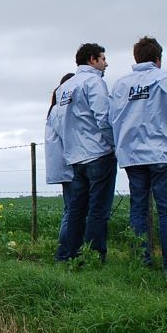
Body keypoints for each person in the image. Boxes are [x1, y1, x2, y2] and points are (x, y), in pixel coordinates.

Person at [110, 36, 167, 272]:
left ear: (136, 58)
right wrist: (161, 117)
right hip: (161, 152)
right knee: (166, 211)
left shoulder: (121, 84)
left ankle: (140, 261)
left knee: (138, 209)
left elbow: (111, 118)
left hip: (132, 154)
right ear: (158, 58)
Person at [55, 43, 117, 262]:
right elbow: (103, 118)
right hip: (98, 153)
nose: (106, 63)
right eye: (103, 59)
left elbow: (61, 122)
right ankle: (94, 257)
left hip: (75, 157)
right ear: (92, 59)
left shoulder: (64, 88)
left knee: (76, 210)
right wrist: (114, 144)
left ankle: (69, 255)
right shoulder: (94, 82)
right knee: (98, 210)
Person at [45, 73, 75, 260]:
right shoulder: (59, 110)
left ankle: (67, 252)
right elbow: (68, 134)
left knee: (71, 209)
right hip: (68, 166)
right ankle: (64, 253)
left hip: (65, 166)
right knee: (72, 211)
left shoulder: (54, 109)